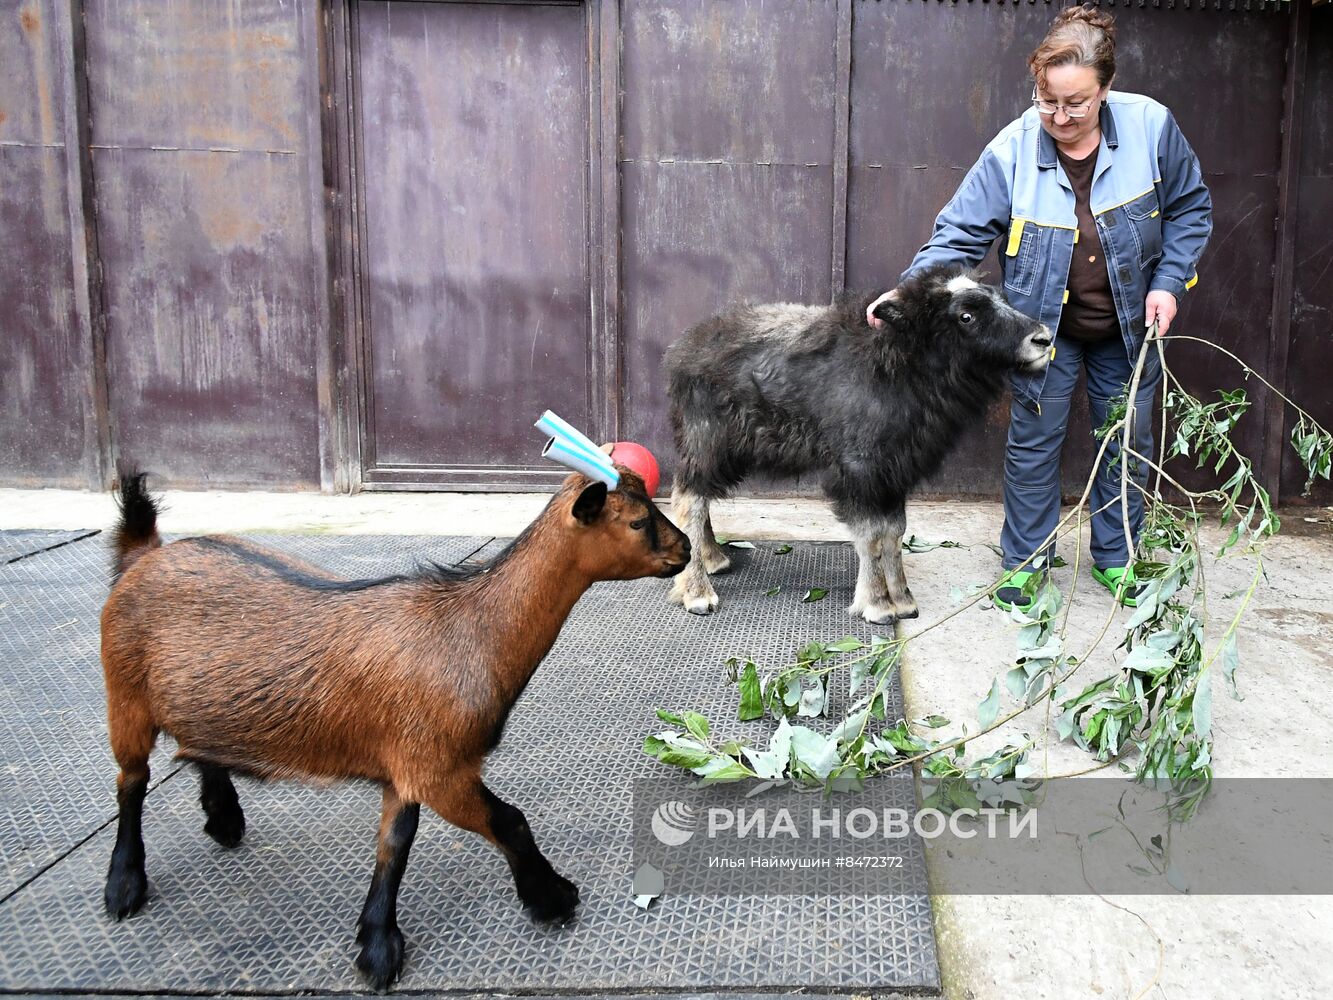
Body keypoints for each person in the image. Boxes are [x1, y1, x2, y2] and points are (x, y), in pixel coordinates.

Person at [867, 6, 1211, 611]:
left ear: (1105, 89)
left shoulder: (1153, 128)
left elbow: (1191, 209)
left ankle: (1120, 557)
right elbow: (957, 235)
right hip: (1042, 330)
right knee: (1034, 442)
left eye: (1075, 103)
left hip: (1130, 324)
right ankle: (1025, 565)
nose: (1058, 116)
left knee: (1124, 439)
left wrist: (1170, 282)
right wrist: (909, 293)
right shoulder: (1014, 148)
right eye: (1046, 101)